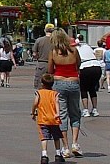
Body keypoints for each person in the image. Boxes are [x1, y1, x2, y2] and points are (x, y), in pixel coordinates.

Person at [47, 28, 82, 158]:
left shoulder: (53, 53)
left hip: (59, 82)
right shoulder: (74, 51)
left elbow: (50, 70)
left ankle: (65, 147)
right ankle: (75, 143)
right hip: (73, 82)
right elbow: (78, 65)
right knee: (75, 113)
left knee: (61, 114)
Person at [32, 73, 66, 164]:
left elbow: (35, 103)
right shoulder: (55, 94)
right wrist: (58, 113)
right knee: (56, 137)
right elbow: (57, 103)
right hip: (54, 119)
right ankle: (58, 154)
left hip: (43, 119)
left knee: (44, 138)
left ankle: (44, 155)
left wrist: (33, 112)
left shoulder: (39, 93)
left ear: (42, 84)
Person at [75, 36, 102, 117]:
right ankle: (95, 109)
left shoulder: (76, 48)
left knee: (83, 89)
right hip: (96, 66)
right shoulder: (88, 46)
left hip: (85, 66)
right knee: (92, 89)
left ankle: (86, 110)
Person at [33, 24, 56, 90]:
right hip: (53, 65)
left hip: (41, 64)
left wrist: (38, 57)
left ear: (45, 30)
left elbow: (34, 54)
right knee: (52, 84)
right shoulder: (56, 41)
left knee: (40, 84)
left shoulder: (39, 40)